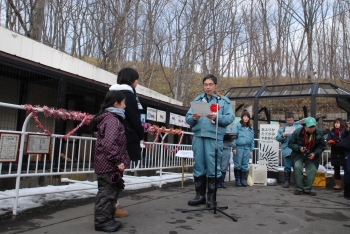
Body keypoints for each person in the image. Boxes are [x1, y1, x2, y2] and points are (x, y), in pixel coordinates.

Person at [185, 74, 234, 208]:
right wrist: (193, 118)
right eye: (205, 84)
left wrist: (217, 117)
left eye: (210, 84)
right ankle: (200, 196)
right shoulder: (198, 99)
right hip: (198, 136)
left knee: (213, 166)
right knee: (198, 165)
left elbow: (230, 118)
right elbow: (187, 118)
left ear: (215, 85)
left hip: (214, 137)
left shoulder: (223, 101)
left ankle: (212, 199)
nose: (208, 87)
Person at [91, 90, 130, 232]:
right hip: (109, 164)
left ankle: (108, 219)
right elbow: (110, 143)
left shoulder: (109, 119)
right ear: (116, 103)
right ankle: (102, 222)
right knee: (107, 193)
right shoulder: (112, 120)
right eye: (124, 103)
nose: (125, 106)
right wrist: (118, 160)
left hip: (107, 163)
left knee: (111, 192)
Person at [110, 67, 144, 217]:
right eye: (136, 80)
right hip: (125, 138)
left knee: (110, 172)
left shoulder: (111, 93)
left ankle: (109, 206)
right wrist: (141, 133)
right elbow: (134, 118)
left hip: (110, 138)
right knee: (117, 172)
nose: (137, 83)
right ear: (131, 80)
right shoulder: (129, 96)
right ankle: (112, 207)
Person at [288, 116, 326, 196]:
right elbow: (290, 143)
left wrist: (315, 153)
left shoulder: (318, 133)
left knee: (312, 169)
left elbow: (322, 146)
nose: (312, 128)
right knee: (297, 167)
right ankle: (299, 188)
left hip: (311, 155)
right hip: (299, 154)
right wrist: (299, 148)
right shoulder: (297, 132)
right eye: (310, 127)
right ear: (305, 126)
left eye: (313, 126)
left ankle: (307, 189)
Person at [276, 112, 302, 188]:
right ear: (286, 120)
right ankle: (287, 181)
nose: (290, 122)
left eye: (291, 120)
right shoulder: (282, 127)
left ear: (293, 119)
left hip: (296, 150)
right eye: (288, 120)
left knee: (297, 166)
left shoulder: (299, 126)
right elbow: (277, 138)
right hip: (286, 149)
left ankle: (298, 182)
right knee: (287, 166)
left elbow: (303, 136)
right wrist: (283, 135)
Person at [232, 109, 255, 187]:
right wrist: (234, 147)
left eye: (247, 117)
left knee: (245, 164)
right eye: (245, 116)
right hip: (239, 147)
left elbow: (252, 140)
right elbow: (233, 137)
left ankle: (243, 179)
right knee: (237, 164)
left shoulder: (251, 128)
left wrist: (252, 150)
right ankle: (237, 180)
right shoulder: (237, 126)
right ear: (242, 117)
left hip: (247, 148)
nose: (246, 118)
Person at [326, 118, 345, 190]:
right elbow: (328, 139)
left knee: (345, 167)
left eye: (338, 123)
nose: (336, 124)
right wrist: (331, 141)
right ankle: (338, 184)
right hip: (335, 151)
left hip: (343, 151)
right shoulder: (332, 132)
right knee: (336, 168)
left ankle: (346, 183)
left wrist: (339, 142)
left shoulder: (344, 131)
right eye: (335, 123)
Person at [218, 124, 235, 188]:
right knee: (217, 164)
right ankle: (217, 181)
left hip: (227, 146)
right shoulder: (216, 124)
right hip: (217, 146)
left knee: (224, 165)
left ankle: (222, 181)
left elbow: (233, 138)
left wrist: (232, 139)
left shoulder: (229, 126)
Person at [342, 117, 350, 199]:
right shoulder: (347, 122)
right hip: (348, 150)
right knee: (348, 170)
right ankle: (347, 192)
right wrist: (348, 128)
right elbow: (343, 135)